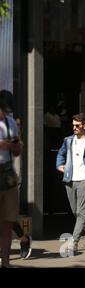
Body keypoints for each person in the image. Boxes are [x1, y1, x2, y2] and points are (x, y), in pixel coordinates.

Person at [56, 113, 85, 255]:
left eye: (77, 125)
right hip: (70, 180)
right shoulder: (68, 140)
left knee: (81, 213)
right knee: (76, 212)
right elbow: (60, 154)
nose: (74, 128)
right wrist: (59, 165)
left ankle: (74, 242)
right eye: (73, 126)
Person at [0, 90, 32, 260]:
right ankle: (23, 238)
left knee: (7, 216)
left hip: (8, 176)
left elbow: (18, 148)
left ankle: (23, 238)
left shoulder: (12, 123)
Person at [0, 99, 23, 267]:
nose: (5, 114)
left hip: (7, 175)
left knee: (7, 223)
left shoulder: (10, 123)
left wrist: (15, 146)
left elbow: (16, 151)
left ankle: (6, 262)